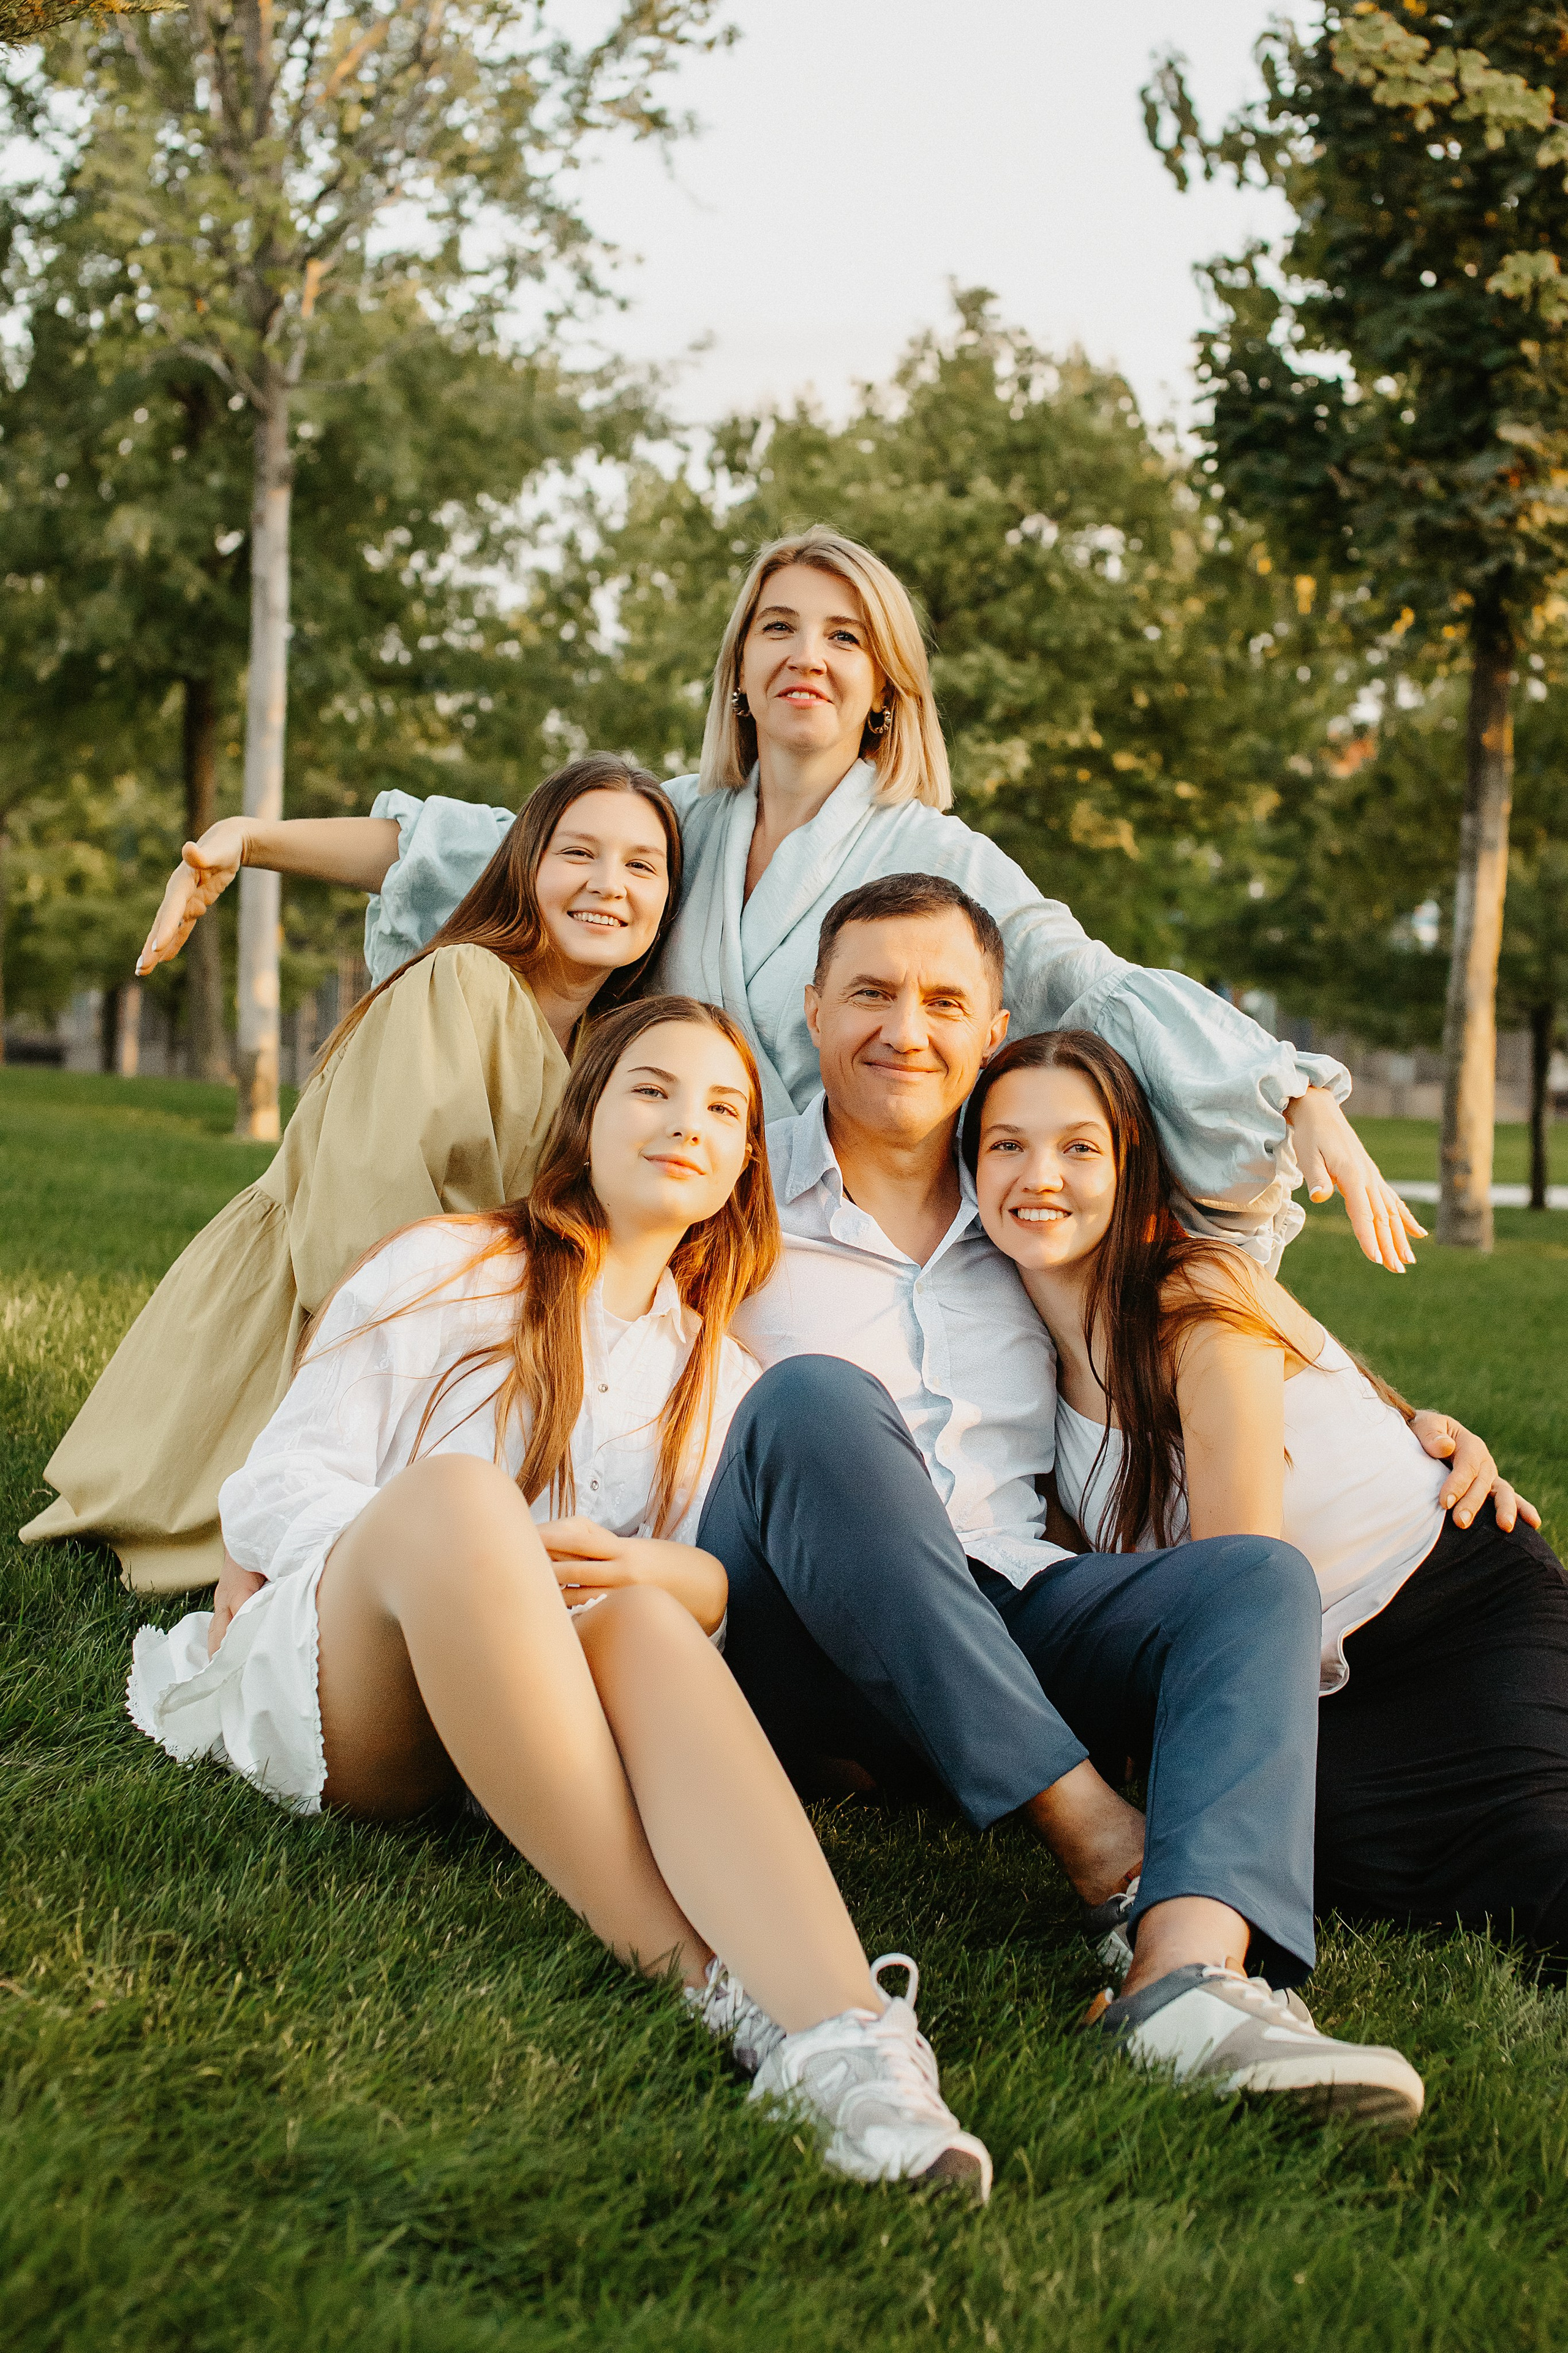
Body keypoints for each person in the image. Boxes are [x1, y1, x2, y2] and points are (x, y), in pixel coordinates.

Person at [127, 997, 993, 2199]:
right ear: (584, 1115)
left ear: (745, 1162)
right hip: (356, 1679)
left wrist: (666, 1577)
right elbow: (278, 1487)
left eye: (722, 1107)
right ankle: (709, 1984)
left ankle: (851, 2043)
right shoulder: (445, 1265)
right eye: (650, 1089)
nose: (685, 1121)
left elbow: (711, 1606)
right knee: (462, 1504)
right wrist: (489, 1574)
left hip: (537, 1725)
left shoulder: (716, 1374)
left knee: (639, 1612)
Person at [135, 526, 1421, 1278]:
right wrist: (248, 839)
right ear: (740, 673)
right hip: (647, 1205)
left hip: (827, 1242)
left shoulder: (936, 854)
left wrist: (1292, 1094)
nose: (806, 655)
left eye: (843, 637)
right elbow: (475, 851)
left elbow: (1078, 977)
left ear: (883, 689)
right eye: (777, 630)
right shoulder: (677, 829)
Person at [692, 872, 1437, 2129]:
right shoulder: (736, 1200)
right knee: (816, 1398)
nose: (903, 1027)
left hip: (1001, 1612)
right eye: (868, 993)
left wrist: (1408, 1415)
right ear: (811, 1009)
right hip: (792, 1623)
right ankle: (1096, 1835)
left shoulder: (1028, 1220)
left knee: (1253, 1573)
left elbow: (1216, 1313)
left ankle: (1183, 1980)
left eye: (943, 1000)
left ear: (990, 1028)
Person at [963, 1025, 1568, 1966]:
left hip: (1446, 1613)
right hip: (1319, 1691)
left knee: (1536, 1870)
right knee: (1317, 1855)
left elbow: (1238, 1576)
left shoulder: (1194, 1291)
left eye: (1079, 1146)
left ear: (1131, 1167)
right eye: (1008, 1144)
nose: (1040, 1173)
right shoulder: (1025, 1356)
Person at [23, 756, 680, 1595]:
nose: (609, 885)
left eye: (641, 865)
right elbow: (362, 1230)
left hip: (469, 1342)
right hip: (330, 1322)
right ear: (525, 867)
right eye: (577, 854)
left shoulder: (610, 1051)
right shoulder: (461, 983)